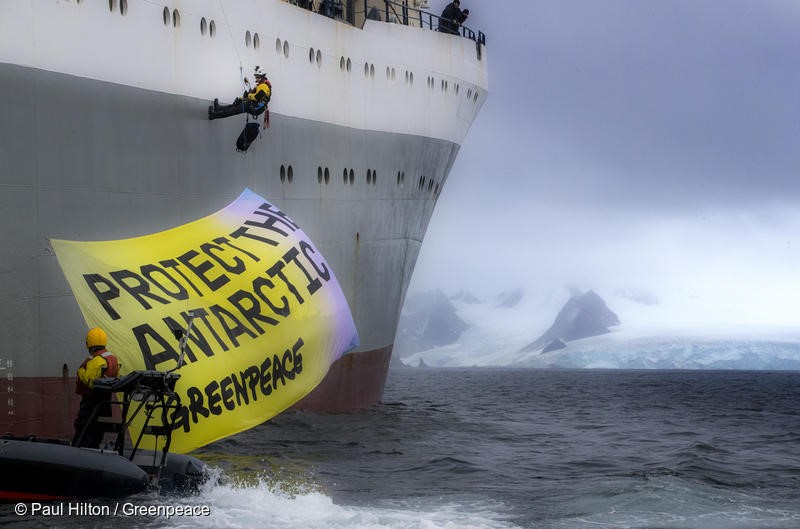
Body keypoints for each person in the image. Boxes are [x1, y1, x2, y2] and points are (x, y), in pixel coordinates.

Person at [72, 327, 120, 448]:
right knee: (98, 431)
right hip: (105, 403)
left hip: (91, 405)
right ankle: (94, 448)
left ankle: (81, 451)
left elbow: (90, 381)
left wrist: (80, 371)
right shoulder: (112, 359)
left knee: (83, 429)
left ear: (89, 343)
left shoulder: (96, 361)